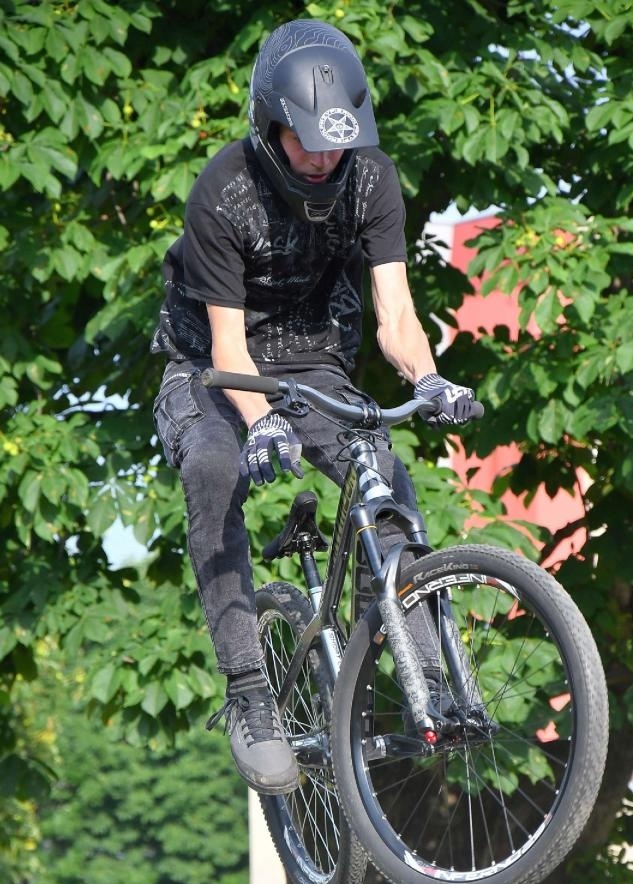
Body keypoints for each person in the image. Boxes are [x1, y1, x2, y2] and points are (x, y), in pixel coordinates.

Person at [150, 18, 477, 795]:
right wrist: (259, 425)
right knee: (212, 468)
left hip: (312, 358)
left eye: (339, 142)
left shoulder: (372, 180)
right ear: (271, 129)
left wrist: (429, 381)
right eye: (309, 144)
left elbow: (395, 314)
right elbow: (228, 350)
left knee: (383, 473)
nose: (325, 159)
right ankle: (249, 693)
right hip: (210, 365)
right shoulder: (222, 192)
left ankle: (424, 669)